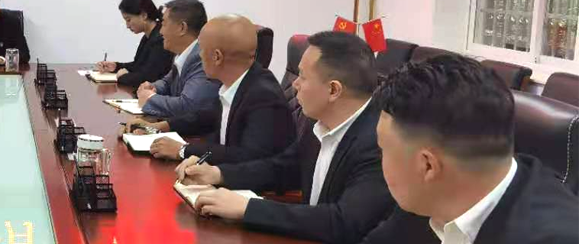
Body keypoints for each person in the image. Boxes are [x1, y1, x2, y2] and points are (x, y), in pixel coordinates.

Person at [178, 31, 393, 244]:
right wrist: (217, 174)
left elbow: (343, 222)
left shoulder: (379, 143)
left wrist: (248, 208)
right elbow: (282, 168)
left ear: (333, 90)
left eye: (303, 76)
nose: (295, 84)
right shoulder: (318, 122)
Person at [363, 55, 579, 244]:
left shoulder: (557, 237)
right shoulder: (428, 199)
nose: (380, 161)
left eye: (383, 150)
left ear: (427, 165)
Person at [135, 15, 294, 164]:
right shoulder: (236, 83)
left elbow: (247, 156)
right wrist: (163, 126)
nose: (199, 56)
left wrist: (183, 150)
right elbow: (208, 116)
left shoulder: (263, 95)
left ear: (217, 57)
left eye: (201, 49)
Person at [136, 0, 218, 118]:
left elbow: (188, 106)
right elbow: (167, 82)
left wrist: (150, 99)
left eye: (164, 24)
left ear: (182, 28)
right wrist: (153, 87)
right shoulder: (184, 53)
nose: (161, 31)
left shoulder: (202, 58)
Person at [94, 0, 173, 87]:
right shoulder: (148, 36)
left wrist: (122, 77)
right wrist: (116, 66)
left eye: (128, 20)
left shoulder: (160, 39)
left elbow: (149, 77)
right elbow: (138, 65)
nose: (127, 26)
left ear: (144, 15)